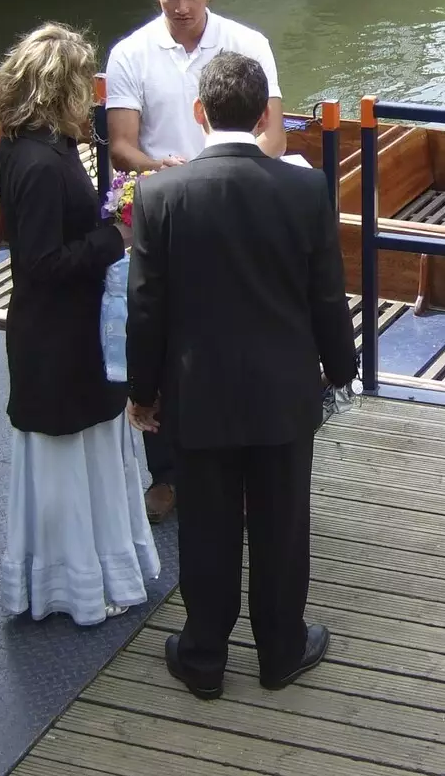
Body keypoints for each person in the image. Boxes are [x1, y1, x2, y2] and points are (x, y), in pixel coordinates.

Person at [125, 51, 357, 698]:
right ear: (263, 115)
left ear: (200, 113)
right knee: (282, 525)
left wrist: (143, 394)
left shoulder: (159, 193)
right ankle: (281, 650)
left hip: (199, 394)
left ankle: (203, 657)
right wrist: (341, 368)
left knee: (207, 526)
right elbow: (326, 296)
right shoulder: (305, 189)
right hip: (283, 393)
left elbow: (145, 307)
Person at [105, 0, 287, 525]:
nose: (180, 8)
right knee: (159, 337)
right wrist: (164, 169)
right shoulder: (131, 53)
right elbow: (122, 147)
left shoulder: (248, 43)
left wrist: (216, 174)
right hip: (166, 214)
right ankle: (166, 472)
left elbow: (274, 137)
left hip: (233, 211)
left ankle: (230, 463)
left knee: (231, 336)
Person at [0, 23, 161, 627]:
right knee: (70, 460)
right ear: (60, 91)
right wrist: (114, 235)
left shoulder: (30, 145)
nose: (91, 99)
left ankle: (85, 573)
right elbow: (39, 264)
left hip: (69, 331)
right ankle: (79, 583)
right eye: (82, 87)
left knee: (86, 450)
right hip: (57, 337)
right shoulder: (40, 164)